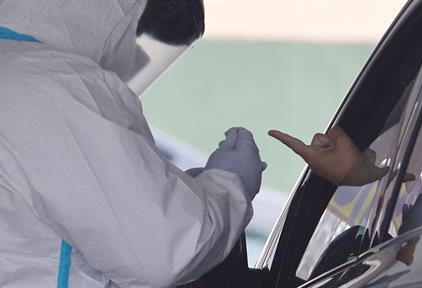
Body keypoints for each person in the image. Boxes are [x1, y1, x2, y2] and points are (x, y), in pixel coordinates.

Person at [0, 1, 265, 287]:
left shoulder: (17, 71)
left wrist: (174, 194)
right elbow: (168, 251)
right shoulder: (58, 89)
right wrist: (228, 185)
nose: (138, 56)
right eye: (135, 32)